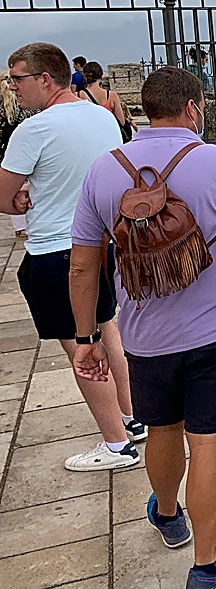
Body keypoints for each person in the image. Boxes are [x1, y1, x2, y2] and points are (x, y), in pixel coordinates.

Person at [70, 66, 216, 589]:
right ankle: (206, 564)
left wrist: (86, 339)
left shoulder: (103, 171)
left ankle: (168, 514)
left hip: (143, 339)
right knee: (208, 442)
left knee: (163, 431)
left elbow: (83, 267)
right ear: (194, 107)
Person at [0, 42, 142, 472]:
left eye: (17, 78)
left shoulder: (35, 130)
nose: (13, 88)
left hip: (55, 249)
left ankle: (116, 445)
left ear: (45, 79)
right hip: (102, 242)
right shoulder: (100, 116)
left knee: (80, 347)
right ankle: (133, 416)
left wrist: (22, 199)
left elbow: (3, 197)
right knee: (108, 330)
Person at [0, 72, 31, 238]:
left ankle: (20, 226)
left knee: (12, 186)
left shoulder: (1, 106)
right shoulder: (25, 105)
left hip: (6, 150)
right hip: (25, 147)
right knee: (29, 184)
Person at [78, 61, 131, 140]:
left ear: (84, 76)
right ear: (101, 75)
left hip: (90, 137)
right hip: (109, 138)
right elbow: (121, 121)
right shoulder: (112, 95)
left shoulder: (78, 96)